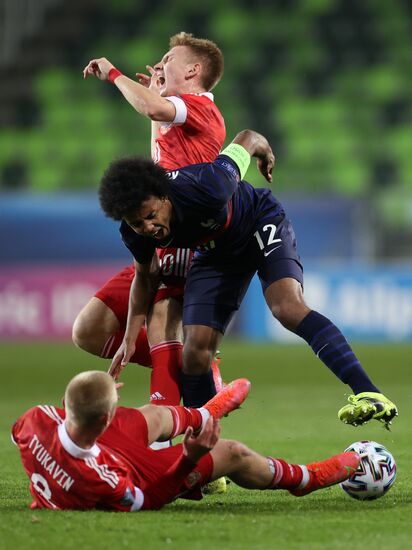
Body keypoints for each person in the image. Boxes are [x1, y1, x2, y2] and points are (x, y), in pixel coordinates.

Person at [99, 128, 398, 428]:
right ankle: (207, 456)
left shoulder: (208, 185)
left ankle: (369, 393)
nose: (148, 227)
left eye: (151, 215)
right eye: (138, 223)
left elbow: (248, 137)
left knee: (287, 308)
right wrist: (128, 336)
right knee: (194, 351)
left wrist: (265, 153)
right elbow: (145, 277)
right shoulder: (133, 233)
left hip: (258, 222)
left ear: (164, 196)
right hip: (215, 254)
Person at [75, 32, 226, 407]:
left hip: (183, 232)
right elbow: (158, 164)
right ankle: (195, 366)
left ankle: (170, 426)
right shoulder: (175, 113)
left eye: (168, 58)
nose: (161, 64)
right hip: (155, 231)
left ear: (193, 69)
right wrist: (157, 98)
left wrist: (114, 74)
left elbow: (153, 110)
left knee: (160, 318)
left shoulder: (200, 106)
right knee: (88, 331)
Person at [12, 370, 360, 511]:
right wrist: (190, 458)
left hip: (87, 442)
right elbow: (150, 500)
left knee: (152, 414)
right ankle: (304, 479)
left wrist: (98, 394)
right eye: (112, 407)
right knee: (231, 452)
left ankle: (207, 413)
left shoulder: (34, 420)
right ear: (105, 420)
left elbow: (38, 427)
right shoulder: (104, 480)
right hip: (119, 468)